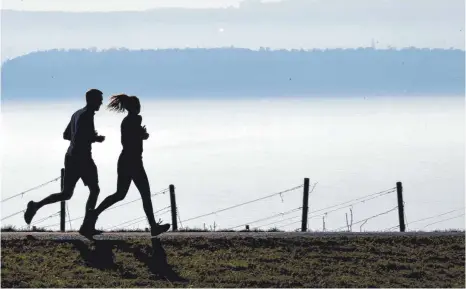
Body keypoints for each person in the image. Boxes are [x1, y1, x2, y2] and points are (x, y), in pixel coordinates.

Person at [81, 94, 170, 237]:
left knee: (120, 194)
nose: (140, 107)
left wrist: (141, 134)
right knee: (145, 194)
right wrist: (143, 134)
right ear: (135, 107)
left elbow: (129, 139)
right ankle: (153, 227)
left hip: (124, 160)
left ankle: (94, 213)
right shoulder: (136, 119)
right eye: (138, 105)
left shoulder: (126, 121)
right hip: (134, 161)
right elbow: (136, 137)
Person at [24, 89, 105, 237]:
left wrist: (87, 137)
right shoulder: (87, 115)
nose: (101, 102)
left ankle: (36, 205)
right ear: (92, 100)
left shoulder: (77, 114)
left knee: (66, 194)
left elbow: (66, 135)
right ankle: (87, 225)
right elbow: (80, 137)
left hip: (70, 157)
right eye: (99, 99)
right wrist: (95, 138)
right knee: (95, 190)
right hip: (83, 158)